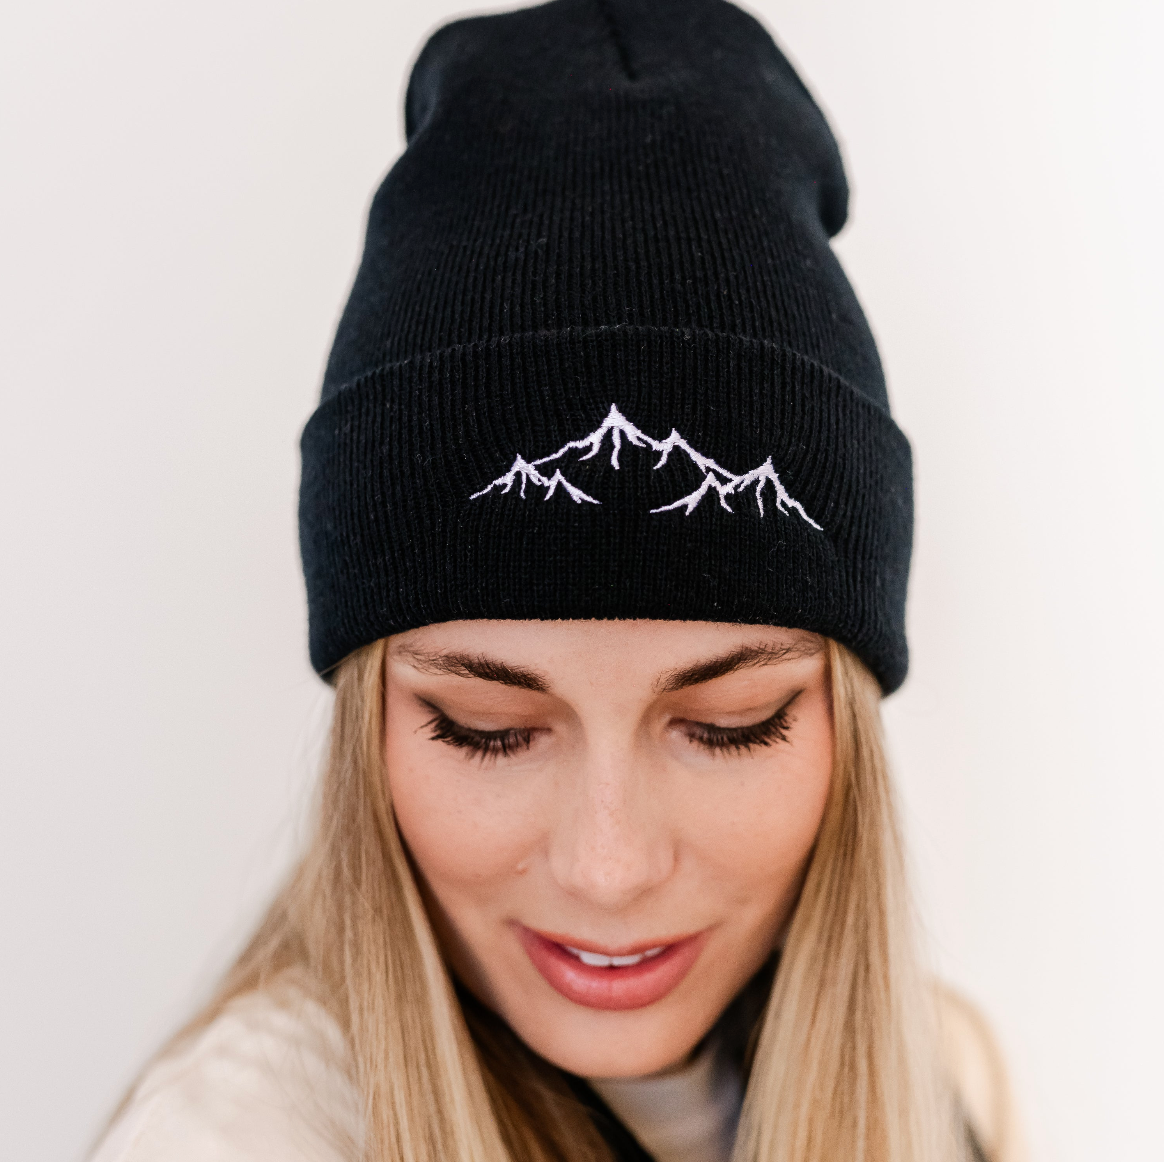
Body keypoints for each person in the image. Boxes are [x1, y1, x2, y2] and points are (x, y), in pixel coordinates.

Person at [91, 1, 1028, 1160]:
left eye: (732, 723)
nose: (610, 866)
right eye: (485, 728)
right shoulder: (245, 1139)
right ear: (369, 730)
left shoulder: (939, 1088)